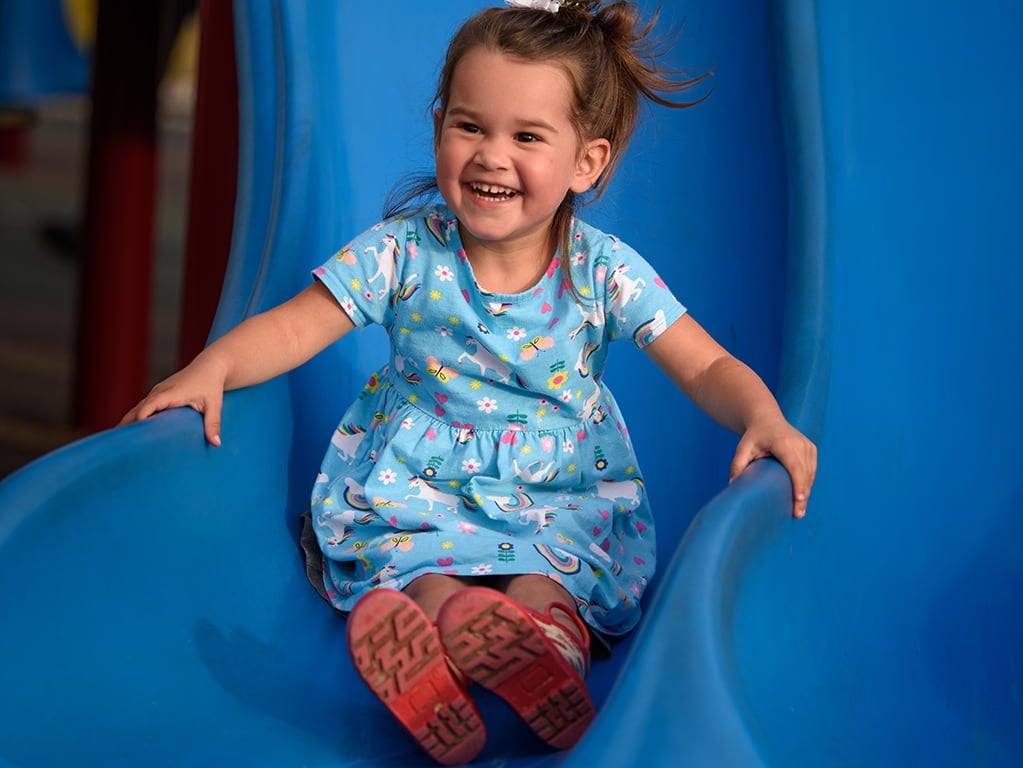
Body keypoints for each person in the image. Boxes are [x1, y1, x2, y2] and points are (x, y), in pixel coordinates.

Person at [121, 0, 817, 763]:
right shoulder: (404, 252)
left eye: (526, 137)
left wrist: (761, 414)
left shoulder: (602, 271)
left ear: (587, 161)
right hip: (420, 478)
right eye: (469, 126)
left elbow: (704, 361)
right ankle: (428, 639)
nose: (491, 155)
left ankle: (539, 648)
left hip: (557, 487)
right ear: (437, 125)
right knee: (419, 566)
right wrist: (211, 366)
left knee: (551, 575)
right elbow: (296, 324)